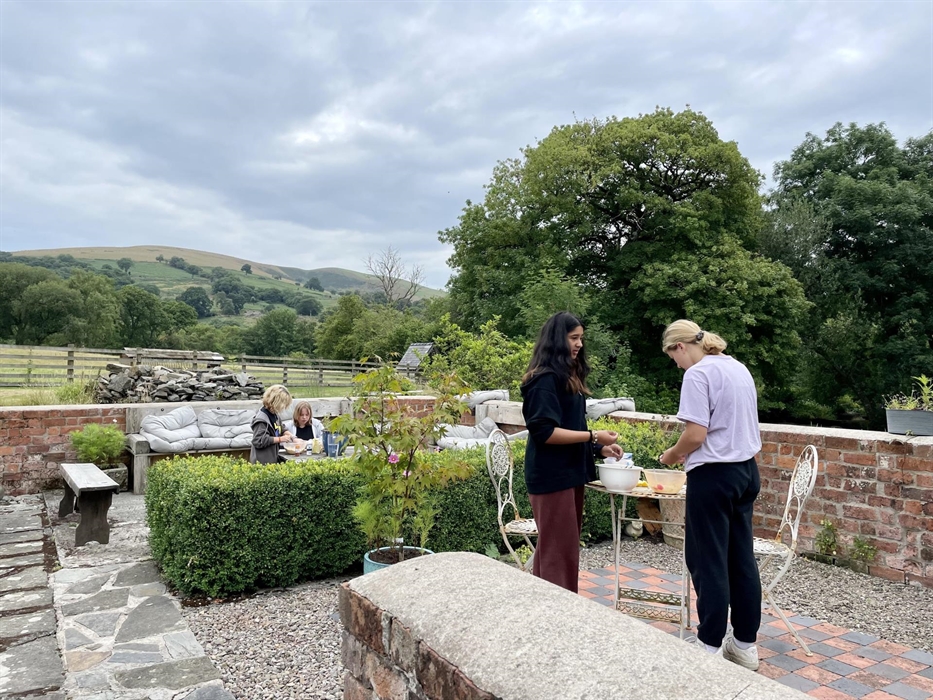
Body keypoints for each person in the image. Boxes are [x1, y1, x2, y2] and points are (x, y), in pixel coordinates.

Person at [658, 319, 762, 670]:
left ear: (680, 347)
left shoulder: (697, 375)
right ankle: (745, 645)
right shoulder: (738, 368)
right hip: (746, 471)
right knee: (741, 559)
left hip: (713, 473)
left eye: (673, 357)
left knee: (707, 559)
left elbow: (695, 435)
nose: (676, 365)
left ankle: (708, 645)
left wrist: (671, 455)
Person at [521, 312, 624, 592]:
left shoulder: (567, 377)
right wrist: (593, 435)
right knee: (559, 552)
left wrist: (599, 448)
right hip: (551, 476)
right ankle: (560, 615)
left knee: (556, 549)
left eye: (581, 338)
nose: (579, 344)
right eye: (573, 338)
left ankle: (547, 610)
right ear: (557, 339)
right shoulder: (544, 380)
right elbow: (544, 432)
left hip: (568, 474)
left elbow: (570, 429)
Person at [250, 384, 294, 464]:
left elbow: (281, 428)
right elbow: (259, 440)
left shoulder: (275, 414)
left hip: (272, 458)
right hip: (261, 462)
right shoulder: (261, 419)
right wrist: (280, 439)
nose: (284, 407)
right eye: (283, 403)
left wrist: (291, 436)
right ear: (275, 401)